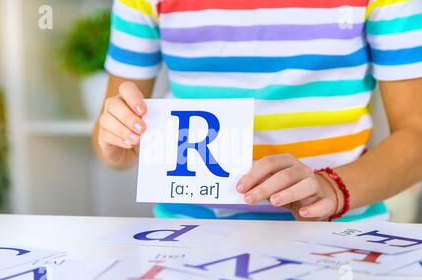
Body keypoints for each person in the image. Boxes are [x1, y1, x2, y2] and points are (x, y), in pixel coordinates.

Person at [92, 0, 422, 222]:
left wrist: (334, 189)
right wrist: (117, 142)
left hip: (337, 236)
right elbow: (110, 137)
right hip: (188, 232)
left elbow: (416, 136)